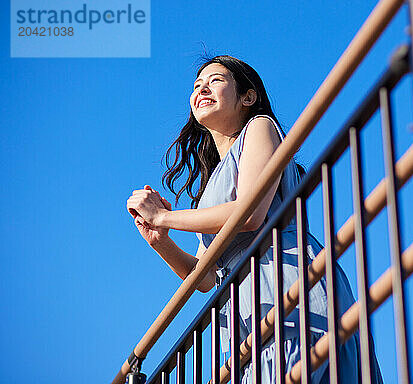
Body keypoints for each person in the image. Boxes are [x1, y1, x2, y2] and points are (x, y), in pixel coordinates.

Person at [126, 55, 383, 383]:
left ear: (247, 97)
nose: (202, 88)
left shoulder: (259, 127)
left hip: (287, 283)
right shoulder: (212, 186)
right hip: (244, 311)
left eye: (216, 80)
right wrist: (162, 242)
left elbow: (250, 213)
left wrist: (165, 216)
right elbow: (204, 278)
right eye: (196, 85)